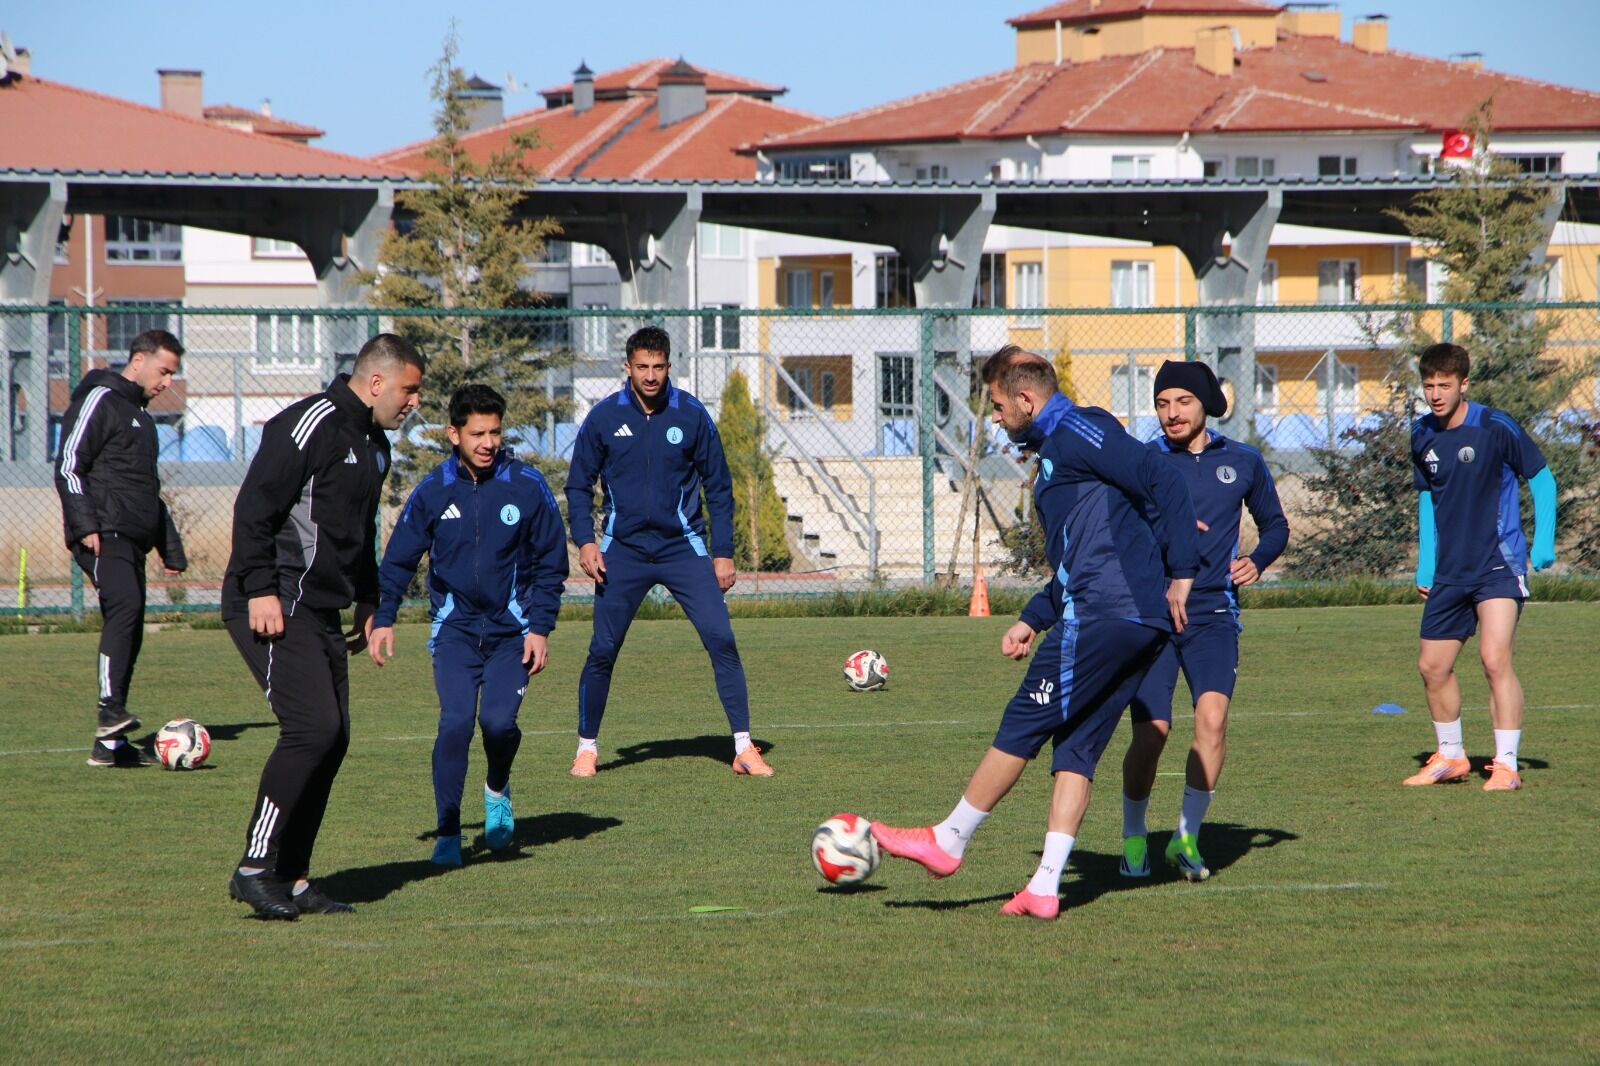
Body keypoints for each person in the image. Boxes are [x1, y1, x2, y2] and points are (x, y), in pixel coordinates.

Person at [871, 346, 1198, 920]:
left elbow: (1160, 478)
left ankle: (949, 840)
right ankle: (1046, 885)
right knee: (1076, 746)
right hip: (1134, 622)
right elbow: (1091, 551)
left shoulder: (1080, 427)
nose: (995, 417)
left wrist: (1183, 572)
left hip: (1105, 615)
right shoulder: (1057, 448)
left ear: (1026, 399)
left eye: (997, 405)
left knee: (1024, 718)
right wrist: (1034, 617)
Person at [222, 334, 424, 920]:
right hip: (272, 599)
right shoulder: (308, 423)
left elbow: (357, 535)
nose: (414, 402)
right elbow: (254, 508)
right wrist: (260, 588)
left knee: (333, 738)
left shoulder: (376, 446)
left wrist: (368, 601)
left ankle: (294, 876)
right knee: (311, 728)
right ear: (378, 380)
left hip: (320, 610)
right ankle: (255, 869)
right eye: (409, 390)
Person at [369, 384, 569, 867]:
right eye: (476, 433)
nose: (487, 442)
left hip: (512, 634)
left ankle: (497, 787)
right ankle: (448, 831)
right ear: (453, 434)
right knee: (456, 723)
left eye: (495, 432)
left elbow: (551, 563)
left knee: (498, 724)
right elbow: (398, 560)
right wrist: (385, 617)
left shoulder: (526, 485)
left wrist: (540, 627)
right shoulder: (434, 491)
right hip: (455, 631)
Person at [563, 325, 772, 778]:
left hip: (684, 548)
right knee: (603, 649)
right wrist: (586, 541)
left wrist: (723, 551)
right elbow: (578, 485)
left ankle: (742, 746)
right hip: (623, 551)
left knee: (722, 640)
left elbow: (719, 485)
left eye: (659, 367)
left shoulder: (692, 414)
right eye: (643, 367)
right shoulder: (603, 418)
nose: (651, 376)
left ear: (669, 366)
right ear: (628, 367)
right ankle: (587, 748)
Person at [1119, 361, 1289, 883]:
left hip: (1214, 614)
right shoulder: (1143, 461)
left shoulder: (1242, 461)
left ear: (1205, 404)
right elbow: (1116, 527)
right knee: (1154, 732)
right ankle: (1133, 837)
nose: (1171, 413)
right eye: (1162, 403)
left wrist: (1257, 560)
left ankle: (1185, 839)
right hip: (1153, 618)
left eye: (1182, 402)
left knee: (1212, 722)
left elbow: (1276, 526)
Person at [1406, 343, 1555, 791]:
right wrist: (1426, 565)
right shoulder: (1420, 433)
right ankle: (1451, 757)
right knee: (1432, 667)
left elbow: (1542, 478)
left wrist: (1543, 545)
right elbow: (1427, 499)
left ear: (1464, 384)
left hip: (1498, 564)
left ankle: (1506, 765)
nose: (1435, 394)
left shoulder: (1495, 426)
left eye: (1444, 386)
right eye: (1429, 385)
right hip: (1451, 571)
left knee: (1494, 659)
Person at [54, 329, 188, 767]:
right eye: (164, 370)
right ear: (138, 360)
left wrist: (170, 546)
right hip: (102, 530)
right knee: (126, 607)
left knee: (129, 622)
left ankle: (109, 747)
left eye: (172, 373)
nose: (167, 381)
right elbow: (69, 465)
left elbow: (147, 490)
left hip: (130, 536)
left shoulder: (141, 418)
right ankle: (110, 711)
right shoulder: (100, 399)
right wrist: (84, 524)